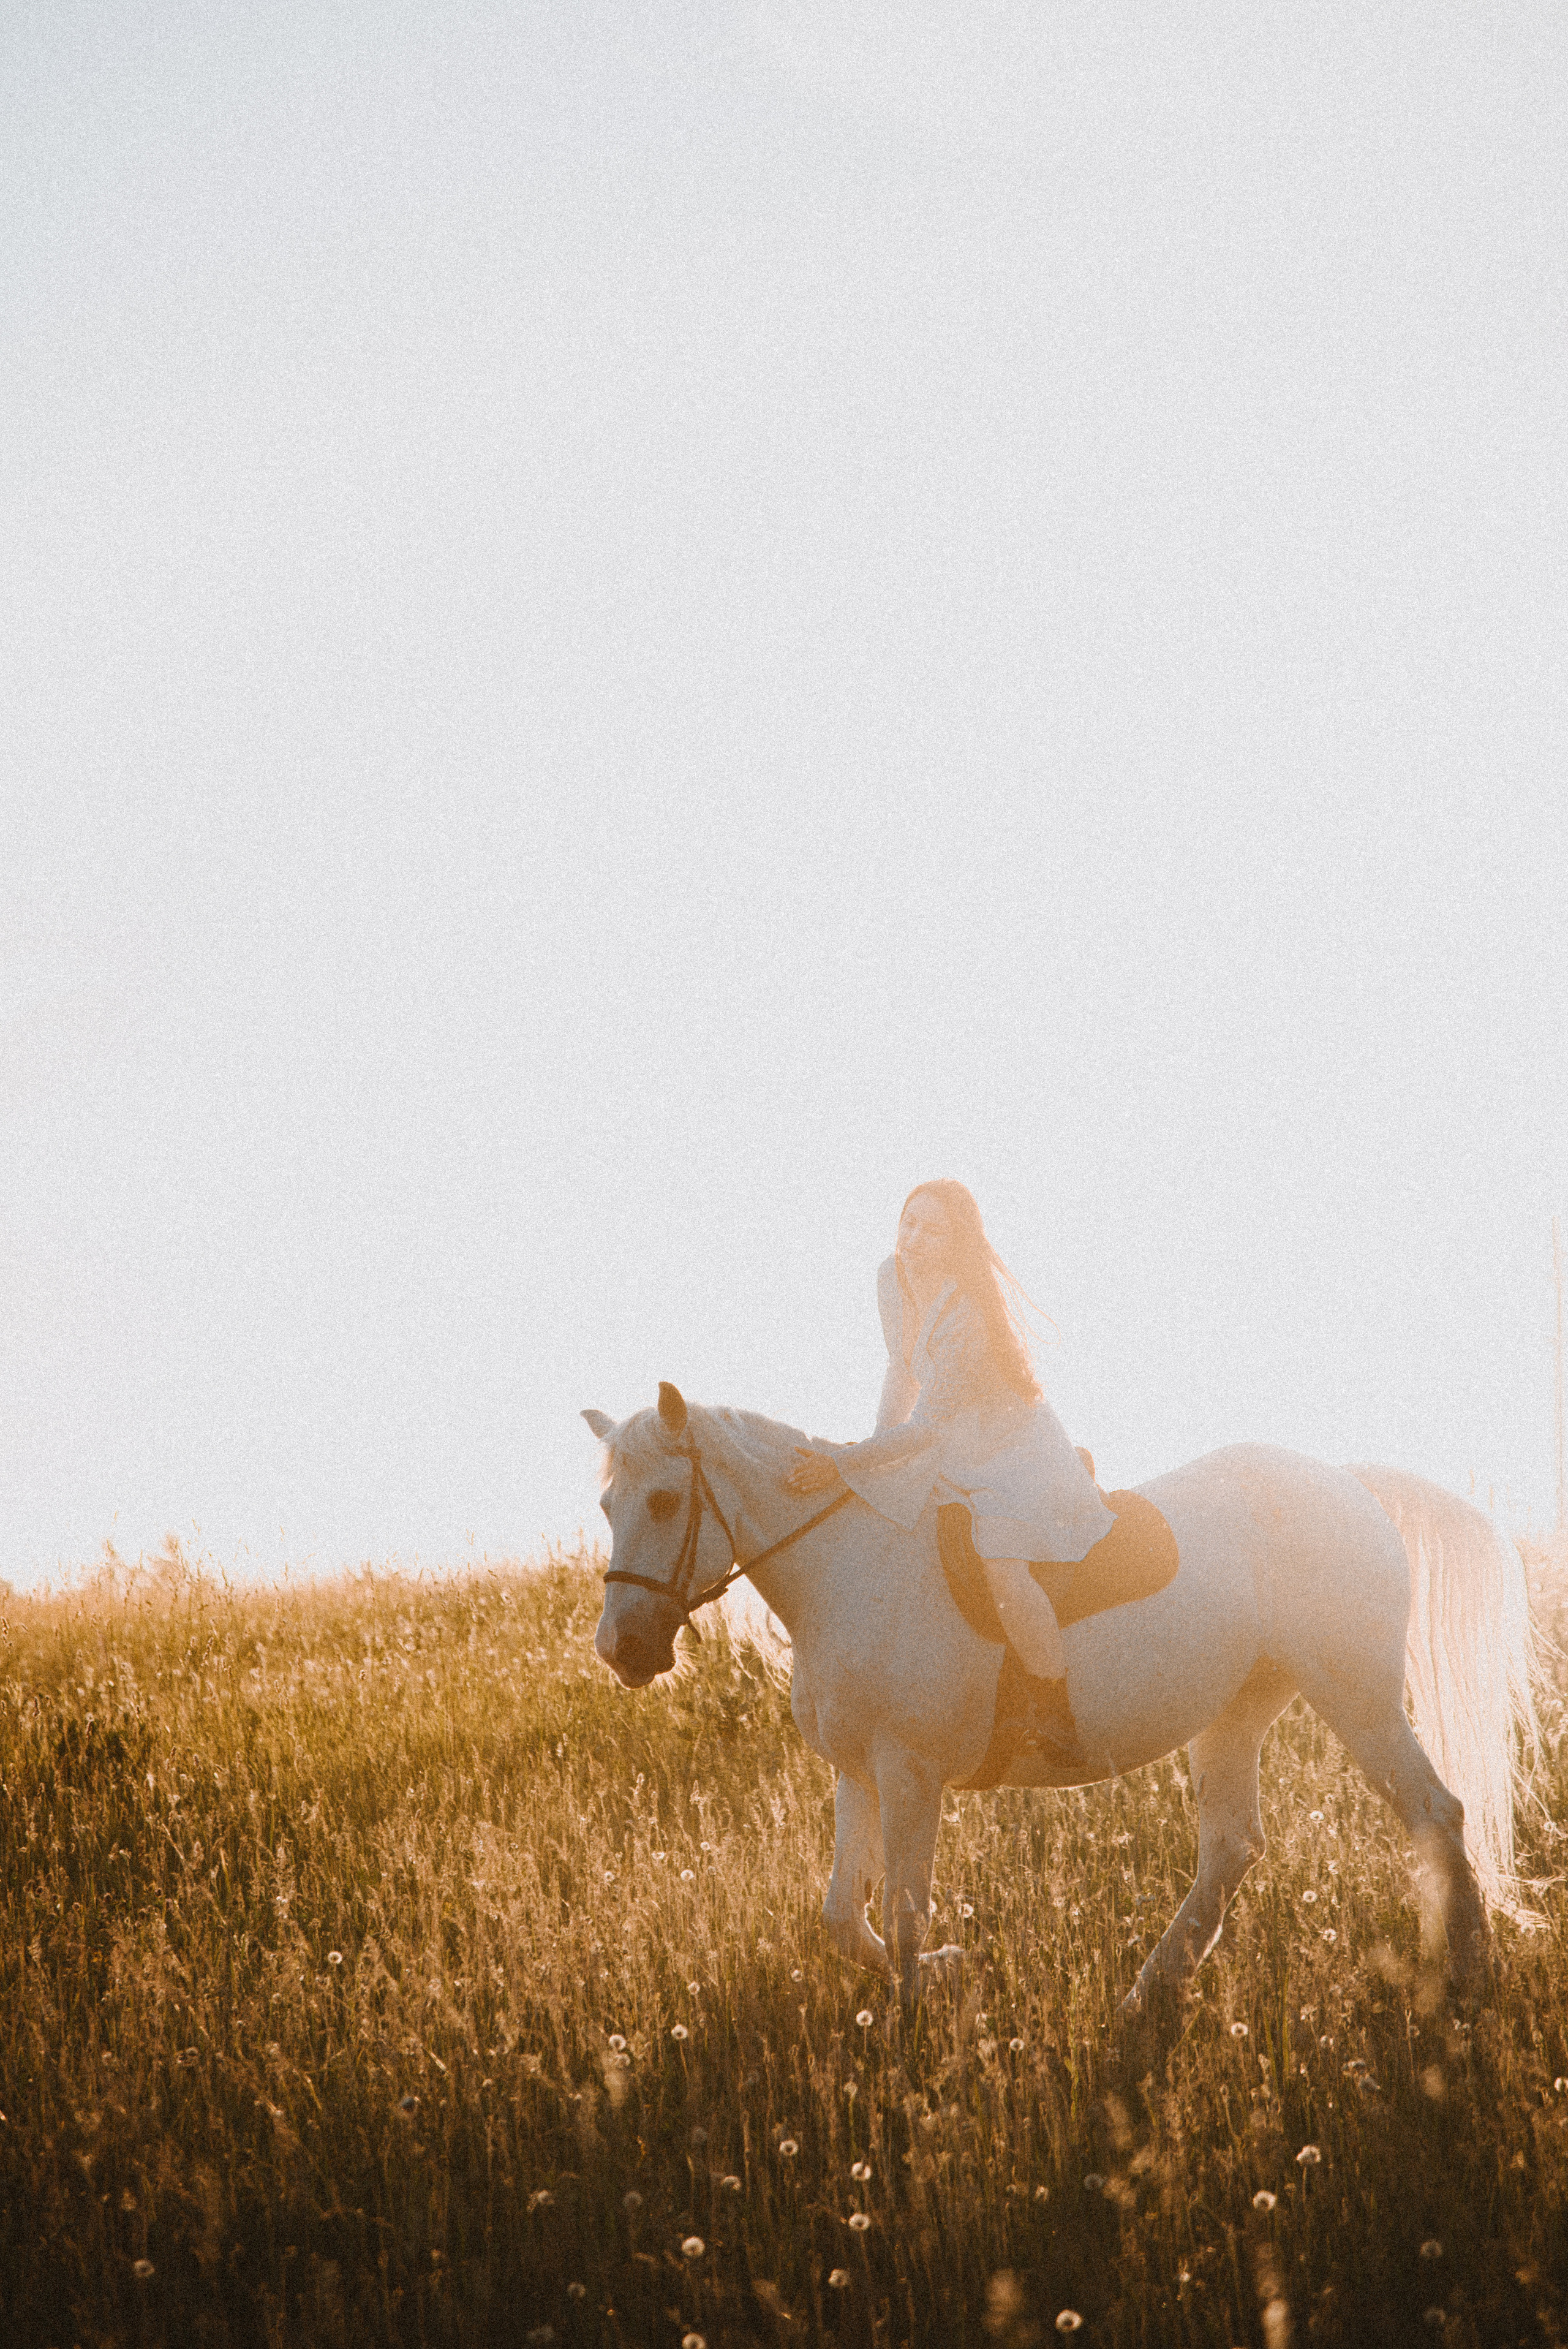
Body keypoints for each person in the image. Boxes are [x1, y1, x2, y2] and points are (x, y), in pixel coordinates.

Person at [785, 1180, 1112, 1710]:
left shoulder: (968, 1314)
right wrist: (874, 1447)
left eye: (931, 1231)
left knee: (999, 1558)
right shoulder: (891, 1276)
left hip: (1009, 1447)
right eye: (908, 1222)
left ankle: (1053, 1702)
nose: (912, 1239)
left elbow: (930, 1425)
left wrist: (846, 1464)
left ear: (957, 1243)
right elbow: (900, 1365)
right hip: (949, 1435)